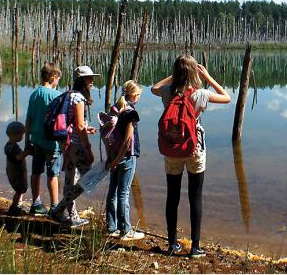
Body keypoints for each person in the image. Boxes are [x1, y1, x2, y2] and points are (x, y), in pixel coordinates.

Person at [151, 55, 230, 258]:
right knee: (195, 197)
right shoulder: (201, 94)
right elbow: (227, 97)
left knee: (172, 196)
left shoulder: (168, 91)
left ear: (176, 71)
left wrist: (174, 75)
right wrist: (208, 76)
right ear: (194, 72)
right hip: (195, 149)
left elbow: (153, 87)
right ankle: (195, 247)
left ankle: (172, 244)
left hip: (172, 148)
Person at [50, 65, 99, 228]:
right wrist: (88, 148)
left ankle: (72, 216)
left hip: (67, 143)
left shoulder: (69, 95)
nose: (92, 80)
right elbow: (78, 125)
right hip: (76, 145)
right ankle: (61, 208)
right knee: (89, 178)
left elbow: (76, 123)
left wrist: (87, 127)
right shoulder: (78, 98)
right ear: (81, 80)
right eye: (89, 78)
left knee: (70, 179)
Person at [104, 80, 144, 241]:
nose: (139, 98)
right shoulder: (130, 113)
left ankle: (111, 227)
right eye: (139, 95)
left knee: (113, 191)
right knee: (124, 192)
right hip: (126, 156)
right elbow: (128, 141)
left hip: (115, 155)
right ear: (134, 95)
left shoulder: (116, 108)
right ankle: (125, 230)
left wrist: (112, 158)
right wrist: (118, 159)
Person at [25, 62, 62, 215]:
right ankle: (54, 206)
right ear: (54, 77)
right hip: (53, 143)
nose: (58, 82)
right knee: (53, 175)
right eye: (58, 78)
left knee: (36, 172)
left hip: (37, 141)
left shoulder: (34, 95)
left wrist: (27, 141)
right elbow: (62, 121)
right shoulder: (57, 96)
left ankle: (36, 203)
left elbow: (28, 120)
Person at [5, 121, 32, 216]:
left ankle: (18, 205)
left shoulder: (8, 145)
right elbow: (18, 157)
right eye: (21, 135)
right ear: (15, 135)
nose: (22, 137)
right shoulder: (13, 147)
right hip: (16, 173)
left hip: (11, 171)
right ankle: (13, 207)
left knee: (20, 189)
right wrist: (27, 152)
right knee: (20, 190)